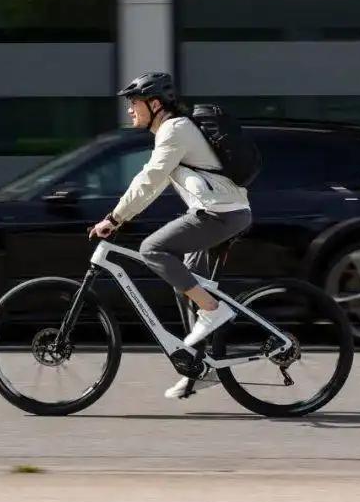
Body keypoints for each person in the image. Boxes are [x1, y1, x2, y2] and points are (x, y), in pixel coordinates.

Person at [88, 72, 253, 399]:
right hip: (218, 211)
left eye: (134, 103)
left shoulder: (175, 129)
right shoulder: (174, 131)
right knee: (185, 285)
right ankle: (199, 369)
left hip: (219, 214)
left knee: (152, 249)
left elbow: (149, 180)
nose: (130, 110)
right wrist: (121, 216)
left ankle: (214, 311)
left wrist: (114, 218)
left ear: (154, 104)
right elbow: (155, 183)